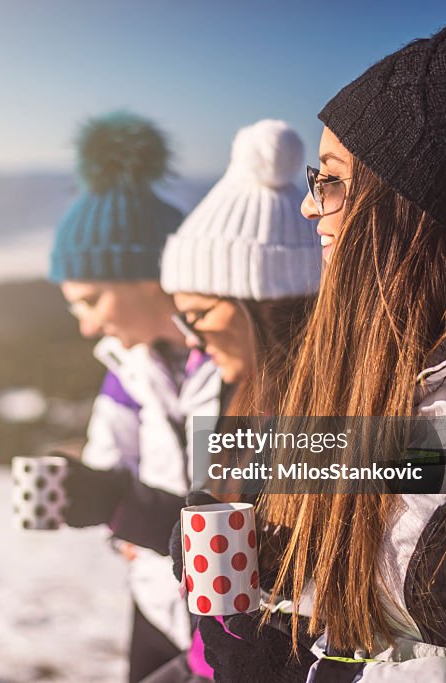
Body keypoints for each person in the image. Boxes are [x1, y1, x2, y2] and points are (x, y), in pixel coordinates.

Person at [196, 0, 446, 681]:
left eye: (331, 180)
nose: (309, 204)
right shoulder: (416, 363)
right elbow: (387, 620)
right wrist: (270, 595)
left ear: (409, 208)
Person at [142, 119, 321, 682]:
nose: (191, 338)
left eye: (198, 316)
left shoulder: (327, 418)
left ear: (260, 303)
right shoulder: (236, 392)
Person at [47, 110, 223, 683]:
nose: (86, 326)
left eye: (92, 300)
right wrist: (96, 503)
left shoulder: (240, 366)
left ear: (150, 275)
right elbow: (108, 464)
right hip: (155, 602)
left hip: (231, 615)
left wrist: (121, 508)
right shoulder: (127, 370)